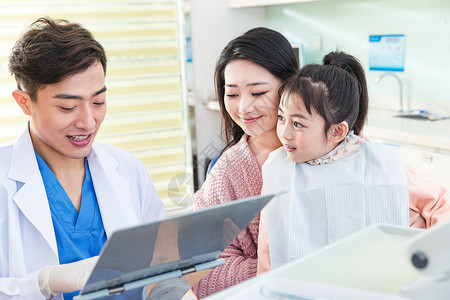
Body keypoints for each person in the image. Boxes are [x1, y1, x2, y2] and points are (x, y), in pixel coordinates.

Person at [0, 17, 166, 299]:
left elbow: (162, 265)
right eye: (68, 107)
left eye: (99, 102)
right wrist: (44, 282)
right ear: (24, 102)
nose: (89, 122)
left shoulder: (128, 170)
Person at [258, 51, 450, 271]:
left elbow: (441, 207)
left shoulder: (382, 164)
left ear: (338, 132)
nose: (284, 133)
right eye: (282, 117)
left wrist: (425, 248)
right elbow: (269, 250)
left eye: (298, 124)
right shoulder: (277, 168)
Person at [192, 27, 299, 298]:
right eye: (233, 94)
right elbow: (200, 269)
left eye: (258, 92)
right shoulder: (227, 171)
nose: (243, 108)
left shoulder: (330, 148)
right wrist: (278, 268)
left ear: (290, 88)